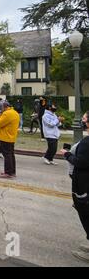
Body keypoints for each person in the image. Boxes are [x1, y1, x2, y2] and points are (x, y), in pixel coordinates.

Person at [61, 110, 89, 263]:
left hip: (84, 186)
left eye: (84, 119)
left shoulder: (87, 142)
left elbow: (81, 162)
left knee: (86, 215)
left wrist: (66, 154)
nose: (82, 121)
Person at [0, 101, 20, 179]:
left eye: (1, 108)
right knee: (11, 155)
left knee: (7, 155)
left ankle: (8, 173)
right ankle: (12, 172)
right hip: (11, 137)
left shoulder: (7, 113)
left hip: (5, 137)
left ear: (4, 107)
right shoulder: (15, 112)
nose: (0, 110)